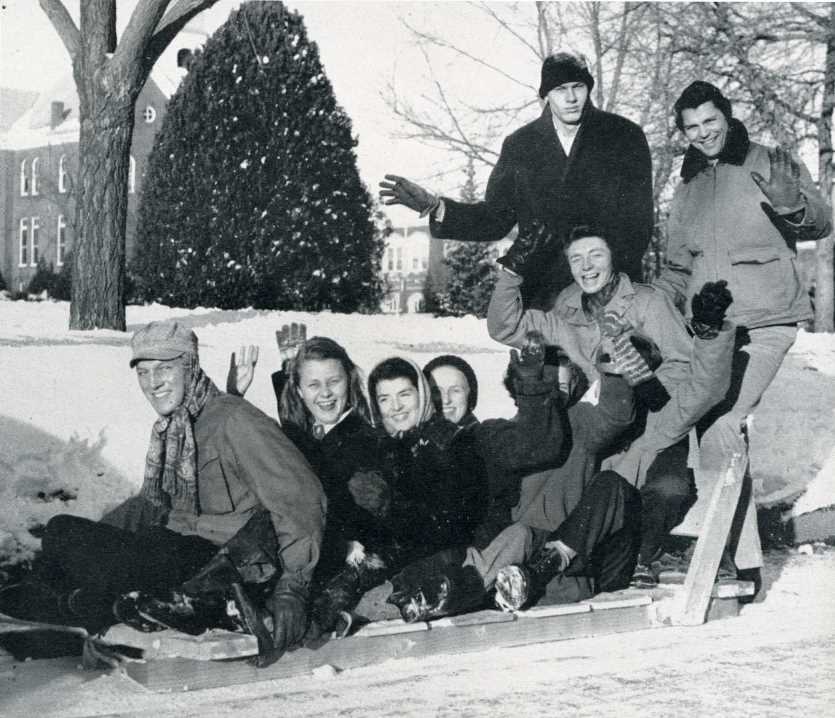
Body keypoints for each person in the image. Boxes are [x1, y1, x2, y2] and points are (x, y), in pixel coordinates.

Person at [0, 321, 326, 666]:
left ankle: (88, 604)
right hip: (176, 551)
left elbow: (300, 497)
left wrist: (294, 586)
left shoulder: (234, 419)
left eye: (164, 369)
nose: (152, 382)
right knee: (64, 533)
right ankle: (85, 604)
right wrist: (89, 540)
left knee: (75, 538)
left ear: (189, 367)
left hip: (225, 564)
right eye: (143, 372)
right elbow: (151, 505)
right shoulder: (175, 428)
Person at [653, 81, 831, 576]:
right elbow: (675, 269)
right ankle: (731, 552)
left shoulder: (770, 160)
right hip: (712, 328)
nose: (704, 133)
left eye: (711, 121)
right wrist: (649, 307)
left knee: (722, 422)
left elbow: (821, 222)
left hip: (768, 321)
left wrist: (793, 205)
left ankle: (737, 562)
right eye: (692, 127)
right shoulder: (686, 188)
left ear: (727, 117)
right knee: (708, 426)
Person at [388, 336, 641, 620]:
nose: (552, 396)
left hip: (555, 559)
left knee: (611, 487)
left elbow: (614, 416)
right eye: (436, 393)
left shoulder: (577, 424)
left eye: (558, 386)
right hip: (500, 560)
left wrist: (614, 372)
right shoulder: (500, 433)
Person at [379, 52, 653, 308]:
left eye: (578, 87)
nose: (571, 97)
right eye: (560, 89)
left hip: (613, 298)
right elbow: (495, 218)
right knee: (545, 362)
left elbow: (638, 225)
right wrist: (436, 207)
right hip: (544, 300)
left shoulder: (624, 137)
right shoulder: (521, 146)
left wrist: (604, 282)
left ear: (588, 89)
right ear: (545, 95)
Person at [310, 356, 488, 632]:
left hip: (438, 556)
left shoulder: (451, 441)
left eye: (404, 394)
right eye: (384, 399)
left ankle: (340, 611)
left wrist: (386, 512)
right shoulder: (384, 442)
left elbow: (450, 523)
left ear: (422, 393)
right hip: (387, 553)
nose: (395, 407)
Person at [487, 224, 692, 395]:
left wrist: (639, 401)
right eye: (576, 259)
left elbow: (683, 363)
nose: (586, 266)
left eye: (596, 255)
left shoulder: (648, 302)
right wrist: (512, 272)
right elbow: (506, 328)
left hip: (644, 427)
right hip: (589, 428)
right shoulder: (567, 308)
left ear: (613, 257)